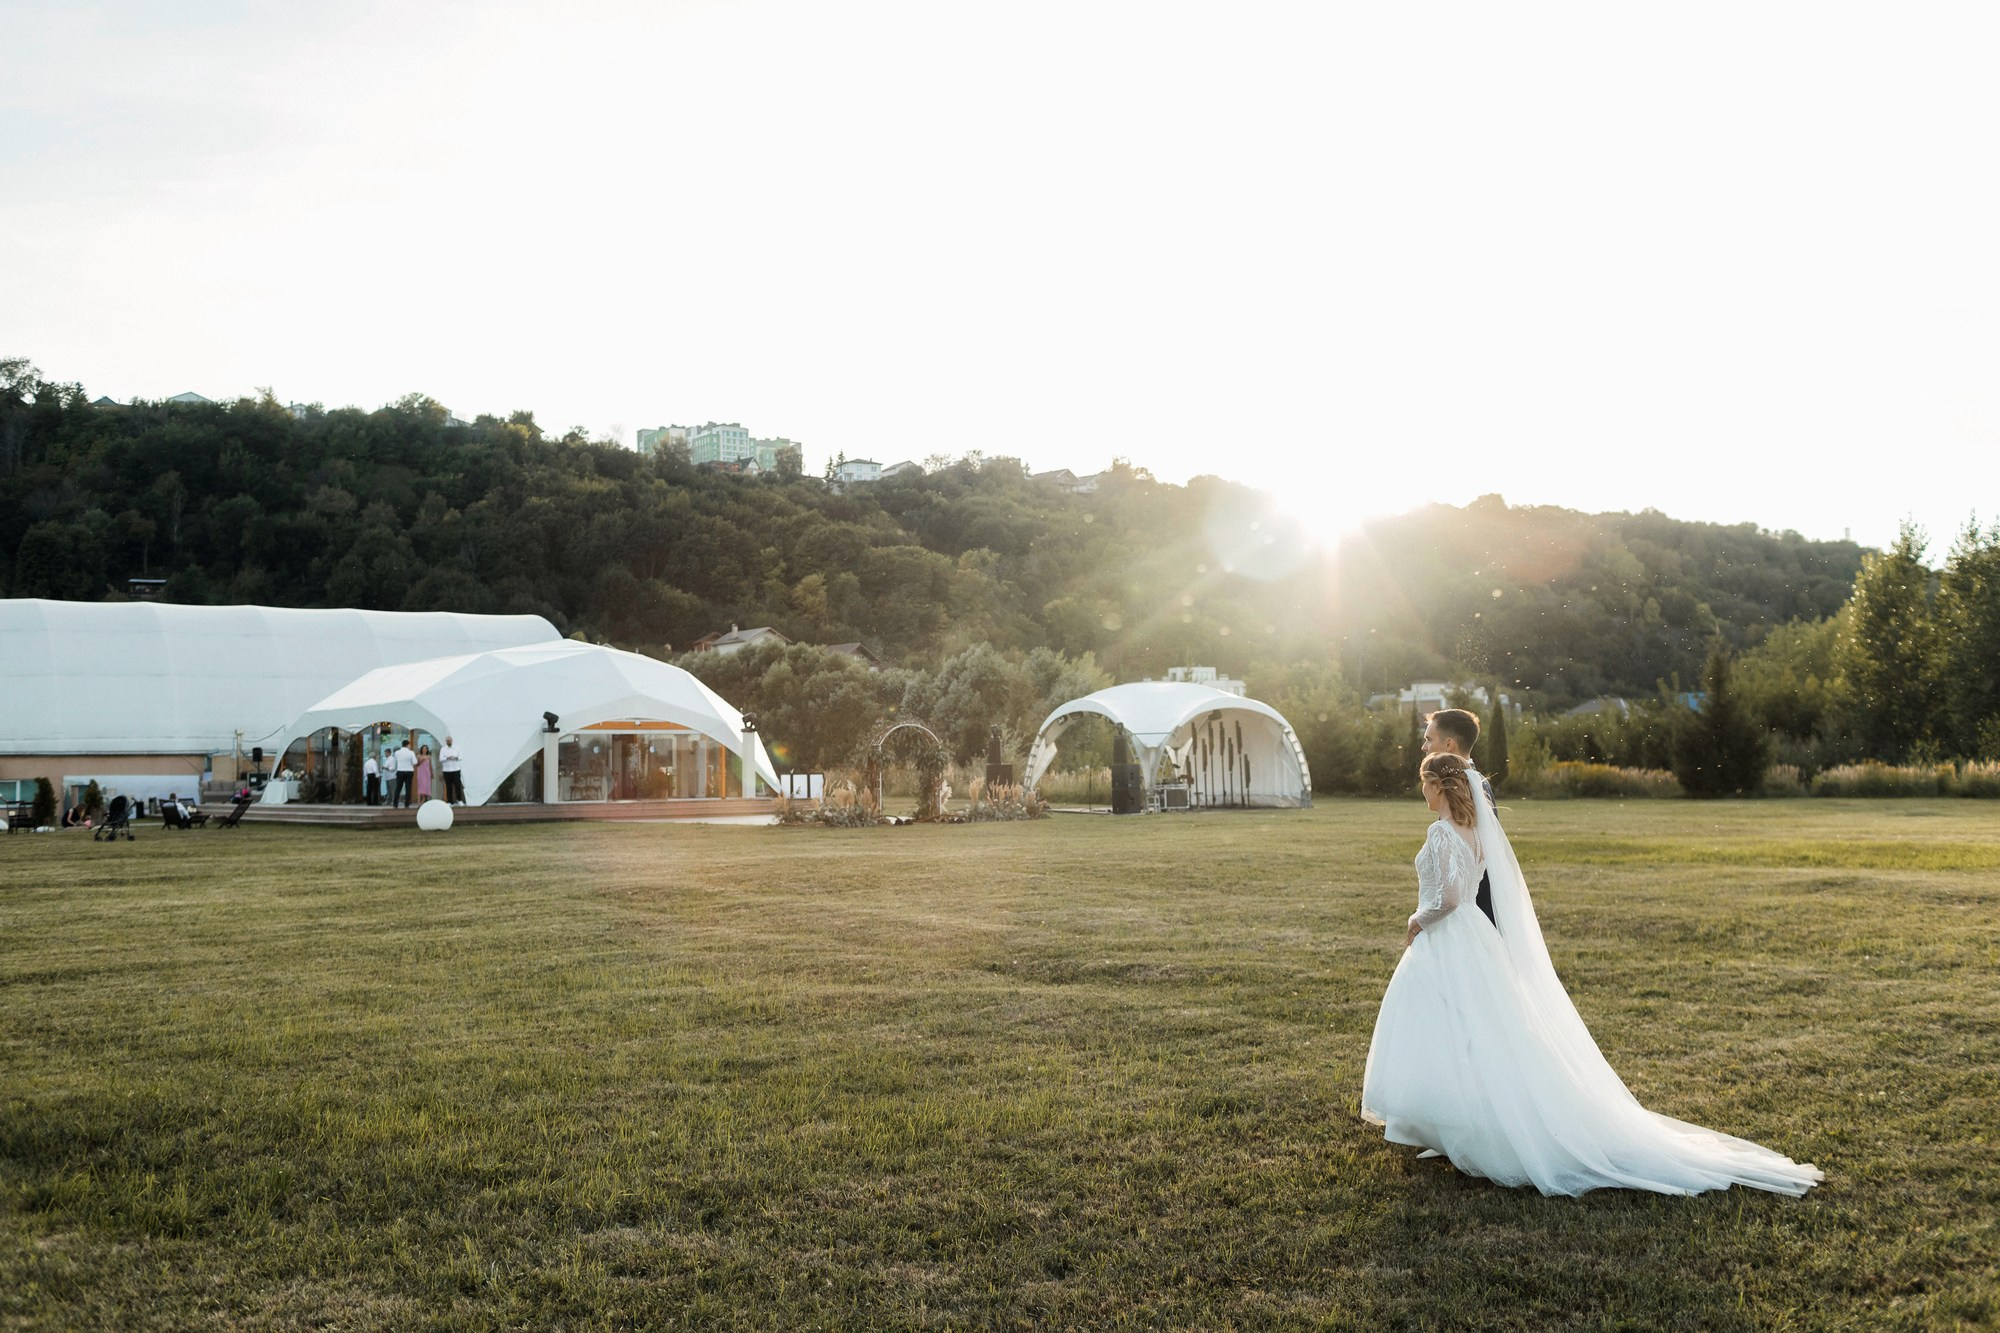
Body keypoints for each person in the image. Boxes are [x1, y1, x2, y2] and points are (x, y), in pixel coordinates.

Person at [1360, 751, 1823, 1197]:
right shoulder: (1478, 830)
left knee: (1448, 1026)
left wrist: (1416, 920)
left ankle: (1463, 1124)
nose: (1420, 789)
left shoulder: (1442, 832)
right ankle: (1464, 1124)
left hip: (1451, 939)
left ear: (1439, 785)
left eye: (1424, 781)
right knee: (1484, 1029)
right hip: (1478, 939)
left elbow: (1451, 898)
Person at [1420, 707, 1497, 925]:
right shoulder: (1468, 782)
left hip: (1469, 910)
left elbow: (1473, 857)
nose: (1424, 746)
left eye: (1428, 739)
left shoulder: (1471, 788)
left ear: (1449, 744)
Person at [440, 735, 465, 804]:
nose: (449, 742)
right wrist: (447, 758)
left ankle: (459, 799)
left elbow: (461, 757)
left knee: (457, 785)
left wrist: (455, 758)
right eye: (447, 741)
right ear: (446, 741)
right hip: (447, 770)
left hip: (456, 769)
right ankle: (450, 801)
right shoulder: (443, 749)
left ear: (452, 741)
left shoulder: (457, 748)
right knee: (448, 786)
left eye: (450, 740)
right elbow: (441, 759)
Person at [393, 736, 417, 808]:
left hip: (400, 771)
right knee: (408, 788)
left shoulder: (397, 752)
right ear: (408, 745)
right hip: (409, 771)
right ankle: (406, 804)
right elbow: (415, 762)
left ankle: (395, 803)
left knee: (398, 787)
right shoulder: (411, 752)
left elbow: (395, 761)